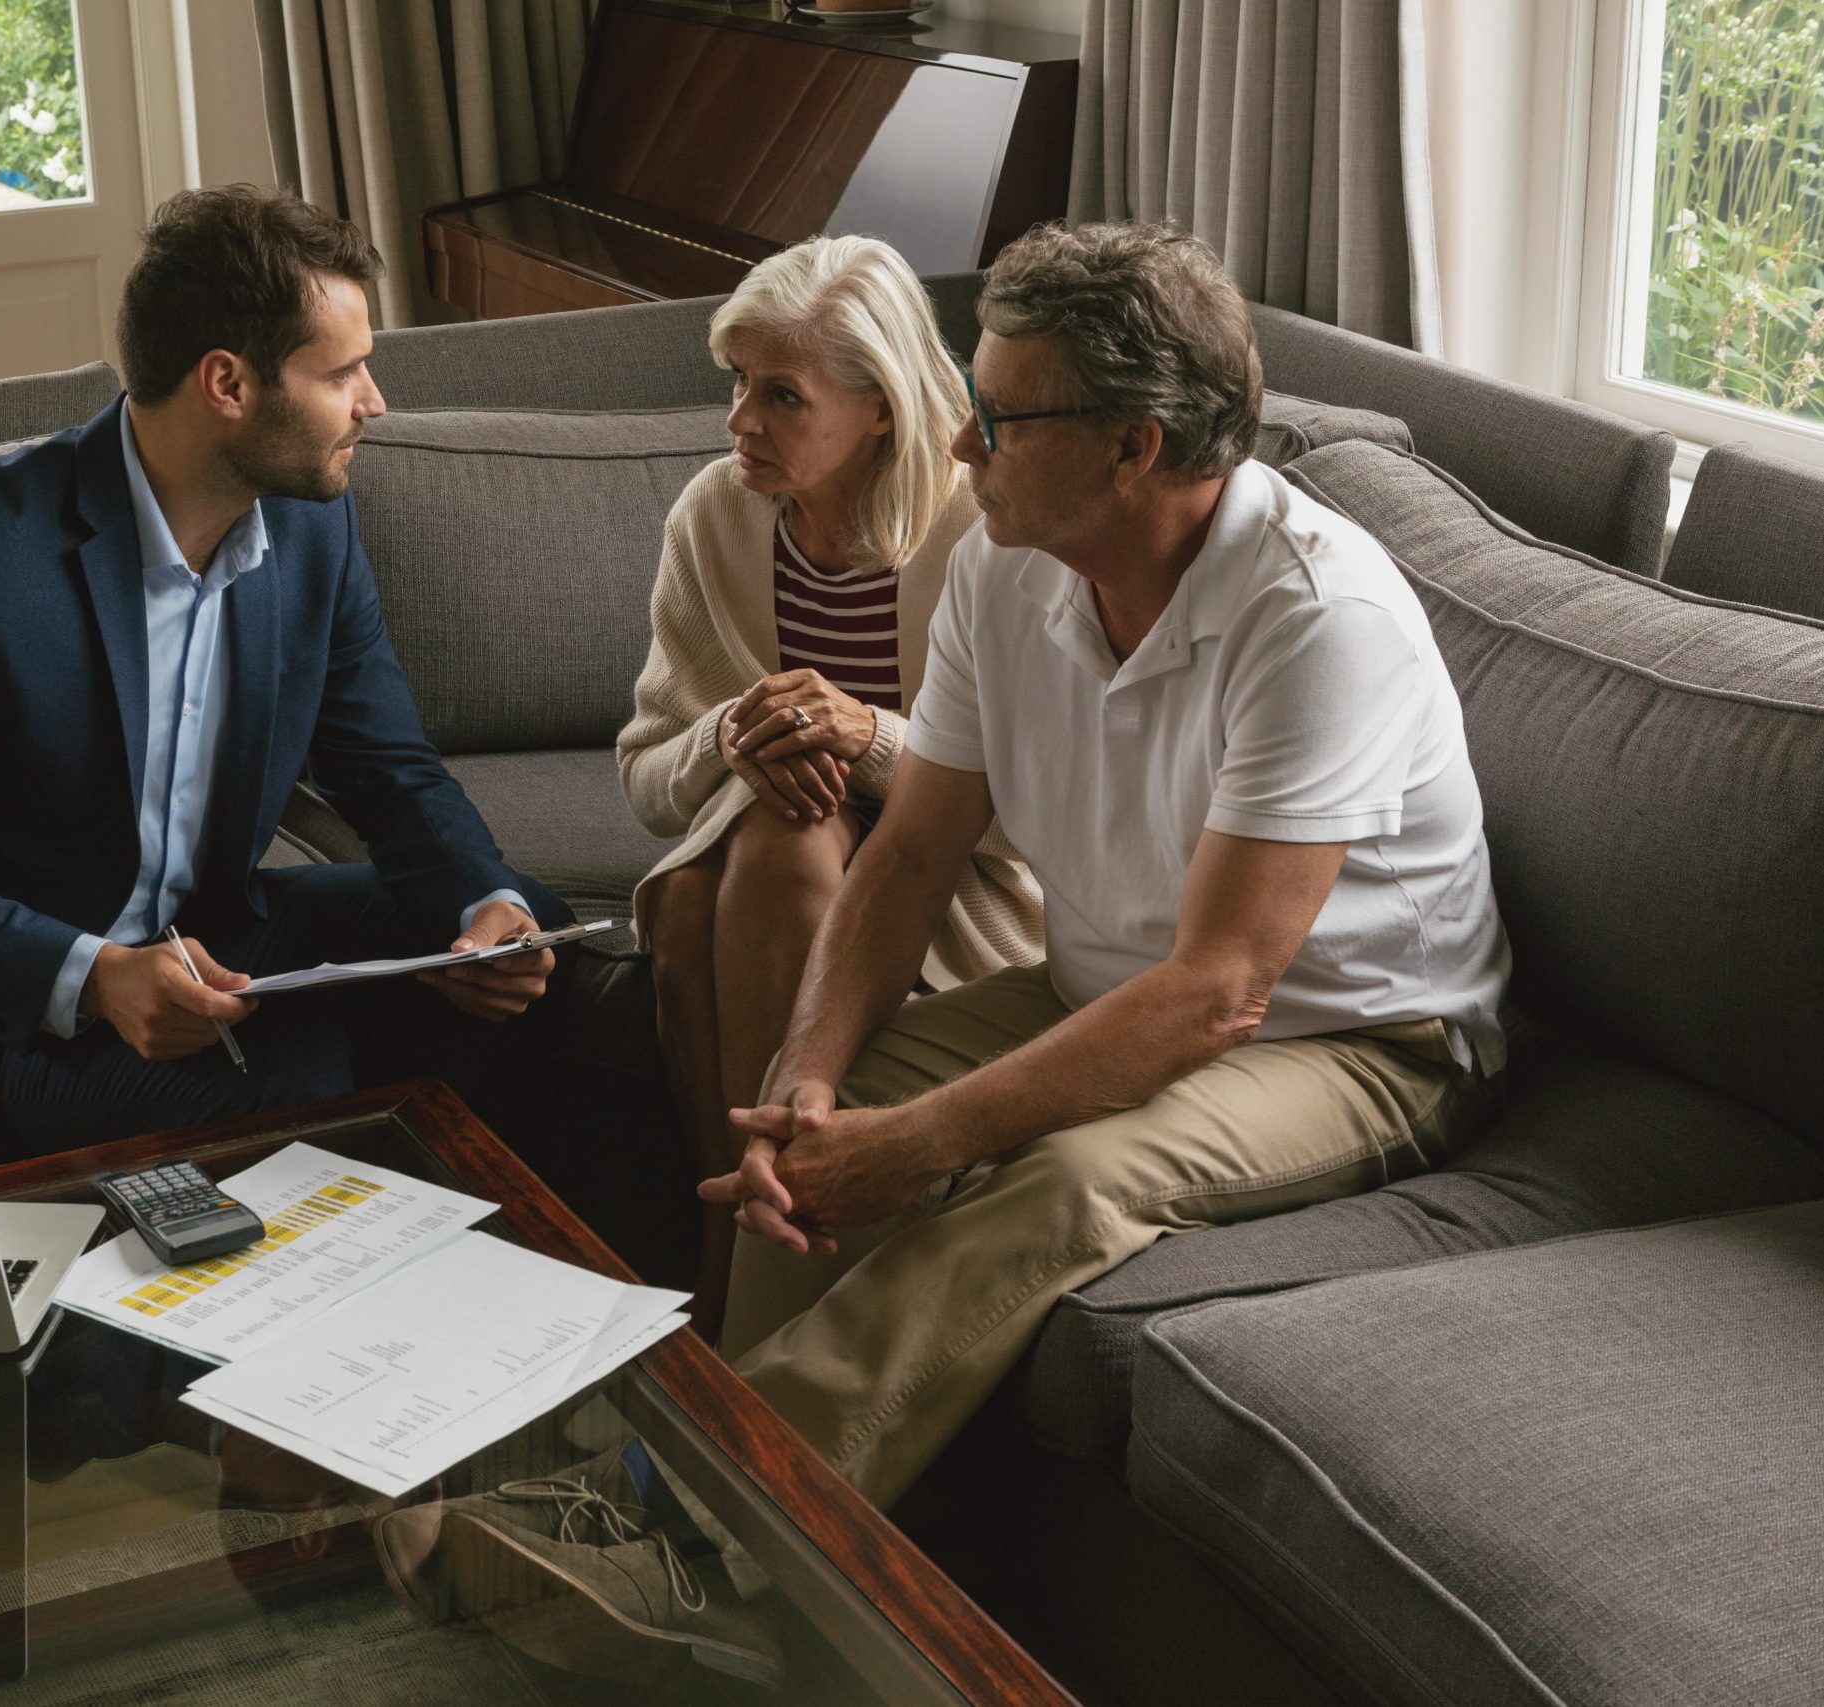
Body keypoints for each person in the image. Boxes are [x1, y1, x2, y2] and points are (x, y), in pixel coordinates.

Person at [382, 222, 1510, 1668]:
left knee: (1065, 1180)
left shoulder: (1314, 617)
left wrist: (919, 1141)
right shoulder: (1006, 563)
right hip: (1108, 982)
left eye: (1000, 413)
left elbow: (1220, 988)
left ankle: (681, 1523)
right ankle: (708, 1542)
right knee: (810, 1123)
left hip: (1351, 1035)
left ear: (1133, 445)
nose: (961, 438)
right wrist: (807, 1068)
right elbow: (911, 850)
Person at [0, 186, 570, 1161]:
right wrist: (98, 972)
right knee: (296, 1088)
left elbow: (385, 766)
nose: (373, 402)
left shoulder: (310, 525)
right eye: (344, 372)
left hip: (205, 937)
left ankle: (479, 1250)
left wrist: (481, 904)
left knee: (530, 943)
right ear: (227, 384)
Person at [617, 235, 1043, 1329]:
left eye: (780, 395)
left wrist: (867, 741)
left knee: (776, 839)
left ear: (882, 409)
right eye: (735, 384)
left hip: (953, 890)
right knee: (755, 837)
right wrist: (728, 734)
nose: (737, 423)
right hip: (743, 868)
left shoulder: (985, 534)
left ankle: (725, 1265)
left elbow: (1030, 820)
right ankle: (755, 1248)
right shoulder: (713, 518)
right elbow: (648, 778)